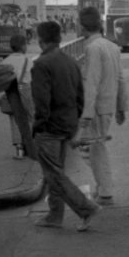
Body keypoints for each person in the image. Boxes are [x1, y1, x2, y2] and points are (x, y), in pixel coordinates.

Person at [30, 21, 101, 231]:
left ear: (40, 40)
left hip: (50, 127)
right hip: (67, 124)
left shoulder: (41, 64)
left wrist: (38, 125)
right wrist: (74, 121)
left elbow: (42, 101)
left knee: (53, 174)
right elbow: (80, 95)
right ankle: (54, 214)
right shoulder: (70, 61)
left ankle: (85, 208)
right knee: (55, 172)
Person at [78, 6, 128, 205]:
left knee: (93, 150)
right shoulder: (112, 46)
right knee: (95, 149)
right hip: (108, 105)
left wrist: (86, 114)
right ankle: (102, 188)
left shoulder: (92, 48)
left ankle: (105, 191)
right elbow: (121, 79)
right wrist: (121, 106)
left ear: (83, 26)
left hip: (96, 107)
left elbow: (91, 82)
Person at [1, 34, 35, 160]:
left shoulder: (5, 61)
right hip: (26, 90)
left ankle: (19, 150)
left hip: (11, 92)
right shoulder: (27, 60)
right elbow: (31, 79)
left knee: (15, 119)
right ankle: (31, 146)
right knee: (30, 117)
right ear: (23, 46)